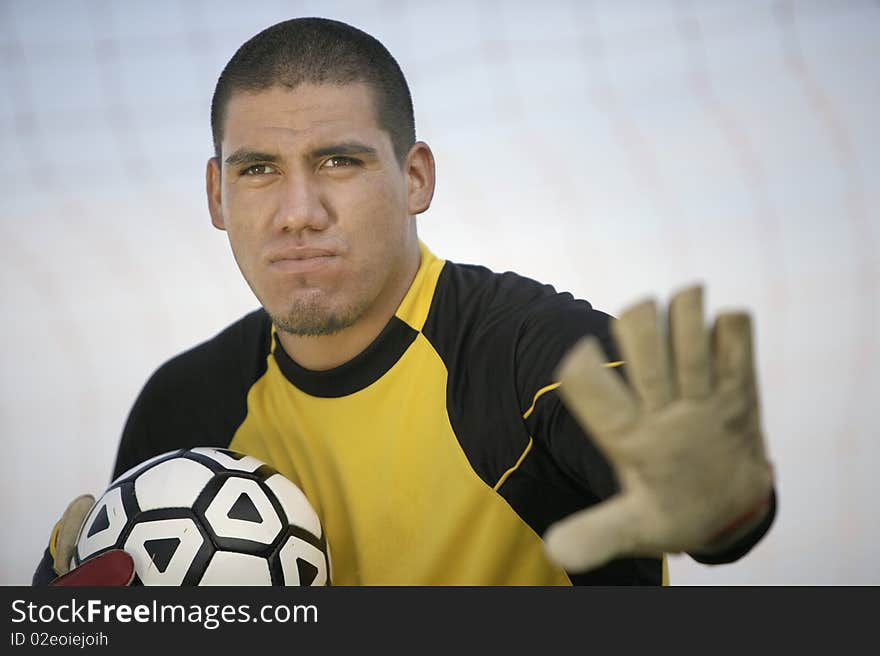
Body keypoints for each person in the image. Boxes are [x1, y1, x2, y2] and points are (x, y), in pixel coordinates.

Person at [34, 17, 775, 586]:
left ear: (415, 177)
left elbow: (702, 504)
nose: (298, 210)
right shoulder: (184, 407)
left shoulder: (532, 355)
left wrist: (726, 508)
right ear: (216, 194)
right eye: (258, 169)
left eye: (338, 161)